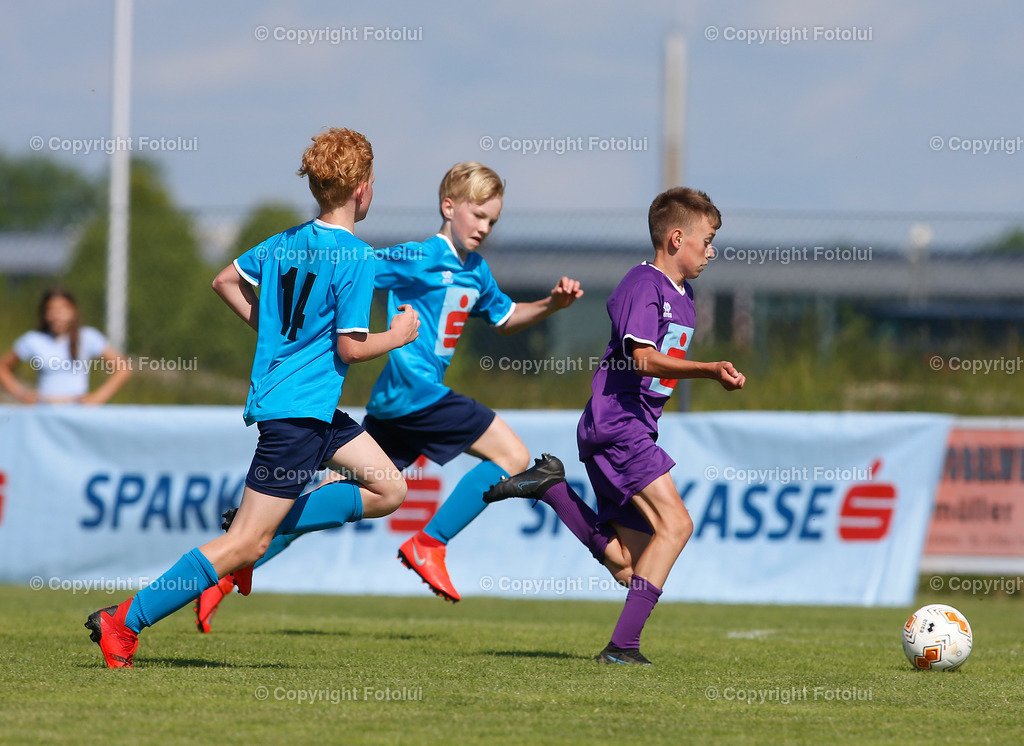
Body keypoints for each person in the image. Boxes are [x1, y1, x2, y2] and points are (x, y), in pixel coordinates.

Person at [194, 161, 582, 630]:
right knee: (513, 454)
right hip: (415, 392)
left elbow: (504, 318)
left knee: (344, 493)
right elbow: (354, 269)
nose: (484, 227)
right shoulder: (420, 256)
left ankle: (227, 567)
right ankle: (430, 543)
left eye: (492, 220)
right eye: (477, 215)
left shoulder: (476, 272)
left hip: (395, 405)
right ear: (448, 206)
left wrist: (551, 305)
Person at [84, 127, 420, 668]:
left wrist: (272, 335)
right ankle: (123, 622)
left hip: (308, 408)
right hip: (297, 416)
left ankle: (252, 526)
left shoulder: (286, 240)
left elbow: (224, 281)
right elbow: (352, 348)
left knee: (389, 488)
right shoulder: (356, 256)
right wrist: (399, 335)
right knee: (244, 545)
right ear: (362, 189)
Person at [484, 187, 745, 665]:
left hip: (630, 430)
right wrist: (708, 370)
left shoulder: (687, 297)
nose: (712, 251)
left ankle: (551, 489)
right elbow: (642, 359)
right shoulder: (643, 285)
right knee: (678, 524)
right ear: (675, 238)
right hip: (617, 424)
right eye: (706, 241)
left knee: (629, 564)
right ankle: (622, 648)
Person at [0, 287, 132, 405]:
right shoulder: (33, 340)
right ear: (45, 314)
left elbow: (123, 368)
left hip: (77, 409)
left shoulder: (88, 337)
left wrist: (97, 398)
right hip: (44, 410)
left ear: (73, 311)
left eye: (63, 309)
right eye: (52, 309)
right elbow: (2, 368)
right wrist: (22, 393)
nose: (58, 315)